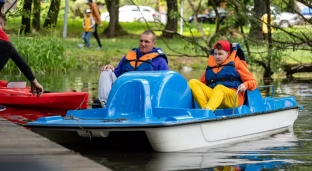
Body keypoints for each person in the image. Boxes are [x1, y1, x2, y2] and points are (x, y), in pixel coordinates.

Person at [92, 30, 169, 108]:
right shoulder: (129, 56)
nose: (143, 44)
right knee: (106, 71)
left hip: (145, 96)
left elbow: (165, 84)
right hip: (124, 91)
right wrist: (110, 68)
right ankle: (104, 104)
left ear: (154, 43)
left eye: (146, 42)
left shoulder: (160, 61)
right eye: (141, 41)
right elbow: (116, 76)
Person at [188, 40, 257, 111]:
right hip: (215, 98)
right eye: (215, 54)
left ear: (228, 53)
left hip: (233, 98)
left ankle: (208, 110)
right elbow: (201, 85)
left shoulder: (237, 63)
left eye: (220, 54)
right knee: (193, 82)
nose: (217, 57)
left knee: (219, 88)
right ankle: (205, 109)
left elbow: (253, 82)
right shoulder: (211, 68)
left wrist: (245, 85)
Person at [0, 10, 44, 101]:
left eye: (0, 24)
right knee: (8, 47)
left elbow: (18, 59)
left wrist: (33, 81)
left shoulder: (2, 36)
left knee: (8, 47)